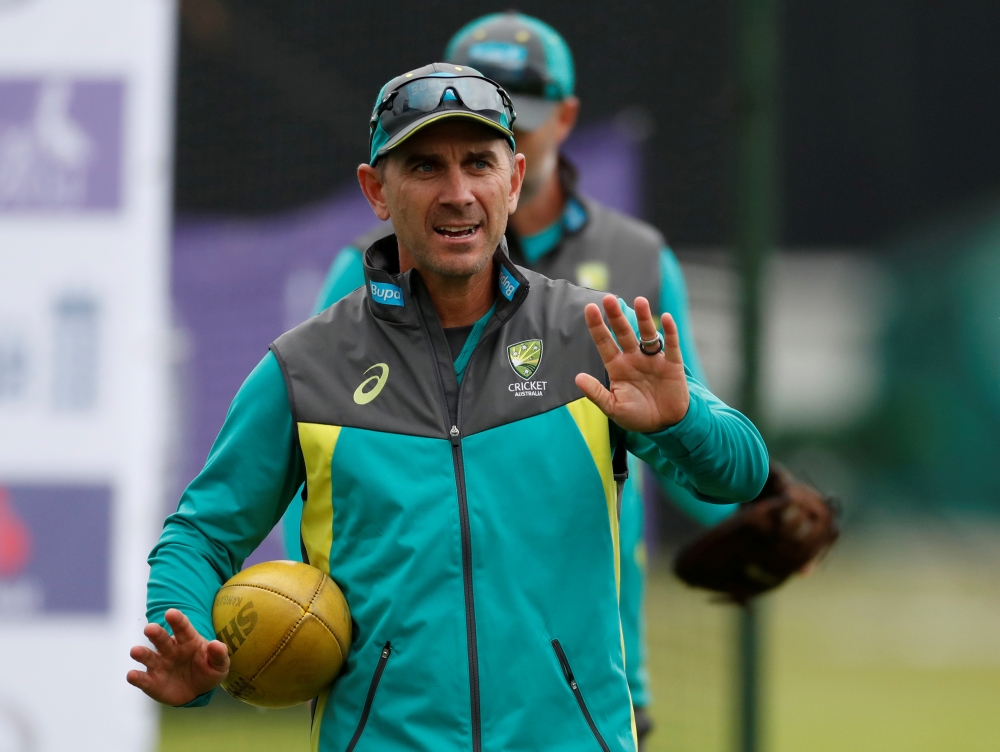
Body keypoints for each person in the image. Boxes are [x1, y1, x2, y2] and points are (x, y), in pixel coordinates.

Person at [128, 63, 768, 751]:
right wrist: (181, 628)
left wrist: (683, 423)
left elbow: (742, 474)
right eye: (426, 167)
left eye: (479, 163)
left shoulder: (589, 335)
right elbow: (202, 533)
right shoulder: (305, 366)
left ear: (515, 180)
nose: (458, 193)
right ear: (376, 190)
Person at [280, 13, 737, 746]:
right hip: (403, 707)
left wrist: (752, 505)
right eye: (429, 158)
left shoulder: (635, 259)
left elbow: (702, 454)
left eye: (514, 114)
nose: (458, 181)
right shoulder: (357, 279)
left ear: (564, 119)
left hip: (583, 685)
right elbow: (323, 468)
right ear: (385, 178)